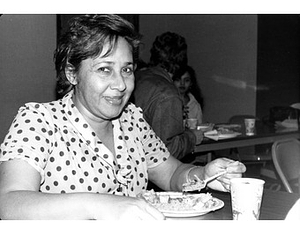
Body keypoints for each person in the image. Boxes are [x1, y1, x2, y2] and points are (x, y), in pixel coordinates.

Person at [0, 15, 246, 220]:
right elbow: (9, 201)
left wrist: (203, 175)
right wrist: (98, 204)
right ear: (72, 73)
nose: (120, 84)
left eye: (126, 70)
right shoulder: (38, 120)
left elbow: (172, 174)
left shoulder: (133, 121)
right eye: (104, 69)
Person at [133, 32, 203, 160]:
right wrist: (192, 137)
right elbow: (167, 151)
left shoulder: (137, 77)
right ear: (182, 60)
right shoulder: (167, 94)